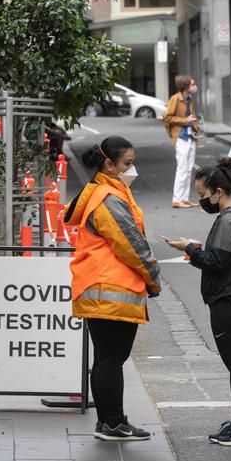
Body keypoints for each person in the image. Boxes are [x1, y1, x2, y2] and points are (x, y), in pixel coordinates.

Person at [64, 136, 161, 441]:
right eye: (128, 164)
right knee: (111, 358)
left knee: (106, 357)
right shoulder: (108, 198)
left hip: (100, 287)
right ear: (109, 164)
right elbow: (131, 244)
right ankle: (113, 423)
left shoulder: (102, 192)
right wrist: (152, 277)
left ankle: (108, 421)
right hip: (110, 287)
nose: (132, 169)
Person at [165, 158, 231, 447]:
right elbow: (229, 254)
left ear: (218, 192)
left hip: (226, 296)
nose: (200, 201)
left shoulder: (228, 220)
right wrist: (197, 246)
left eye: (202, 195)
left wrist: (191, 249)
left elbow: (217, 261)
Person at [164, 75, 200, 208]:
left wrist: (195, 127)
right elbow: (167, 117)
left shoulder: (189, 99)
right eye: (192, 84)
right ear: (185, 87)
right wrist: (185, 121)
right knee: (182, 169)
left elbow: (192, 116)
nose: (195, 86)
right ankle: (177, 199)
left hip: (190, 136)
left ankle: (184, 198)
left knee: (189, 169)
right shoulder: (175, 99)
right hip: (181, 137)